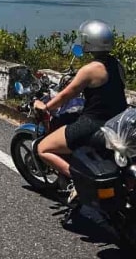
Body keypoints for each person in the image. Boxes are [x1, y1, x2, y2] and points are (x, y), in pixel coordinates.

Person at [32, 19, 128, 203]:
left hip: (94, 124)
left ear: (89, 41)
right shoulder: (117, 64)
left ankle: (78, 181)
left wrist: (45, 107)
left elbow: (65, 96)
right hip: (118, 121)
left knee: (42, 148)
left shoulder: (90, 70)